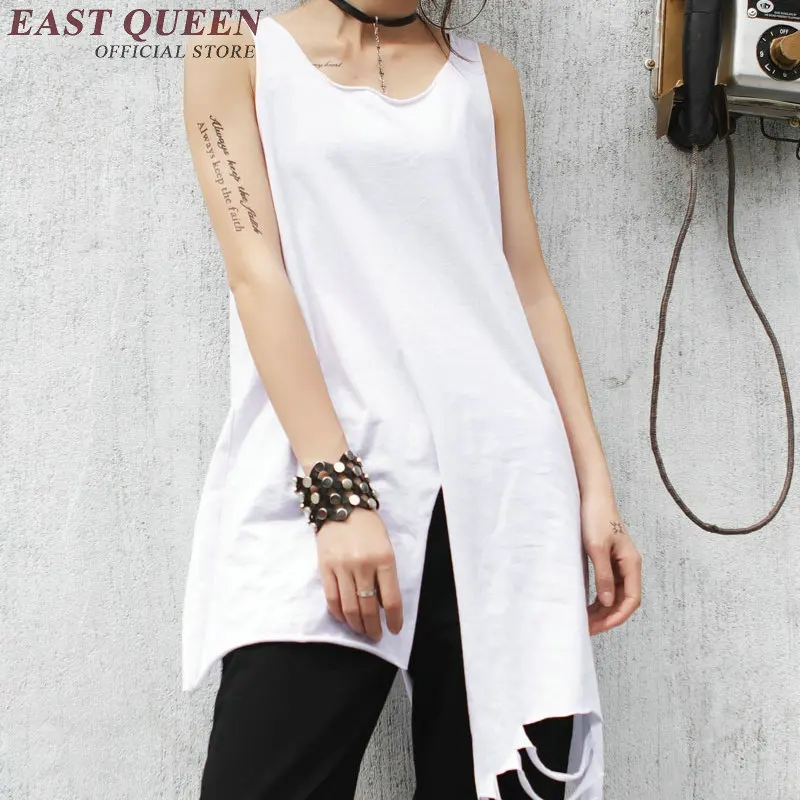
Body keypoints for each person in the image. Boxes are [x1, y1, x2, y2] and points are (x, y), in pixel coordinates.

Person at [180, 2, 643, 799]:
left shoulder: (486, 79)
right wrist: (335, 489)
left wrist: (595, 488)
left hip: (502, 485)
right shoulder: (236, 50)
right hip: (325, 474)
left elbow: (527, 283)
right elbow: (257, 274)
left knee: (505, 784)